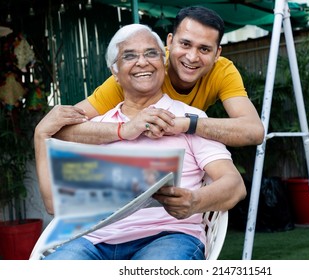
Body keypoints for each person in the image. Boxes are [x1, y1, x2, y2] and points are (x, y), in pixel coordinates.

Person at [34, 23, 246, 260]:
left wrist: (195, 201)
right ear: (114, 71)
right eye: (130, 56)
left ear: (163, 65)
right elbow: (54, 205)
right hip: (94, 242)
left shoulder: (188, 120)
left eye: (151, 53)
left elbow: (234, 185)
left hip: (168, 236)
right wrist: (40, 135)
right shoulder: (97, 129)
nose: (142, 62)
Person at [40, 6, 264, 148]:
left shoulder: (222, 71)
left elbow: (254, 131)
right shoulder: (141, 72)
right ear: (169, 42)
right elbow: (64, 130)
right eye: (185, 44)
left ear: (217, 54)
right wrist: (125, 130)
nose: (192, 57)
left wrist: (185, 123)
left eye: (204, 49)